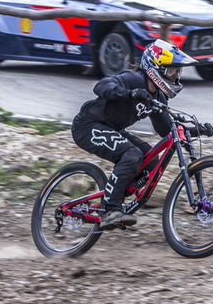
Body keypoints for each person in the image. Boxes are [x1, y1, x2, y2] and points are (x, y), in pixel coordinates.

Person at [71, 39, 197, 230]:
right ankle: (110, 210)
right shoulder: (134, 79)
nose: (174, 76)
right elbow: (101, 86)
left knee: (151, 160)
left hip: (113, 129)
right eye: (171, 70)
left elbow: (165, 130)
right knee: (132, 154)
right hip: (88, 125)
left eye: (176, 72)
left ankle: (117, 195)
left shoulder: (158, 96)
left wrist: (196, 130)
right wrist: (129, 93)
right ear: (156, 67)